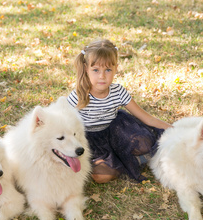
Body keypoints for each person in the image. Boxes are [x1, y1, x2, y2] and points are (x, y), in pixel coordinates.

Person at [67, 39, 172, 184]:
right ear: (86, 69)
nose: (102, 76)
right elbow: (61, 123)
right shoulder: (78, 96)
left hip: (115, 132)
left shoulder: (118, 92)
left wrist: (175, 129)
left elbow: (147, 118)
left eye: (108, 70)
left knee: (144, 143)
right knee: (101, 177)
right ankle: (121, 161)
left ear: (116, 68)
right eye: (96, 70)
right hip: (91, 140)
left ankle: (128, 156)